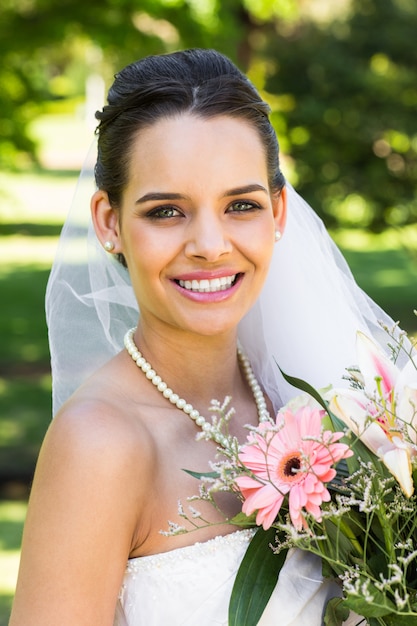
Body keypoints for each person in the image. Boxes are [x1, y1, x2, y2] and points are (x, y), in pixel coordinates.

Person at [9, 48, 392, 626]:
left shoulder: (317, 397)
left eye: (241, 205)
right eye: (166, 211)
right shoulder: (100, 445)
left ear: (279, 212)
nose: (210, 245)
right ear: (109, 222)